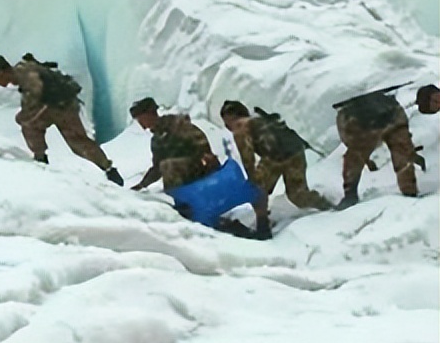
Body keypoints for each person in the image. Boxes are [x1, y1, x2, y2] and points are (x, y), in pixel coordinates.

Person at [0, 53, 123, 184]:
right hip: (57, 105)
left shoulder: (26, 73)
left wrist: (23, 115)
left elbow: (36, 94)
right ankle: (41, 158)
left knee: (76, 141)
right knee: (38, 128)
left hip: (60, 107)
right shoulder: (24, 71)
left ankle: (108, 169)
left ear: (1, 72)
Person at [220, 100, 332, 235]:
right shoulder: (261, 118)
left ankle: (263, 228)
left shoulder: (240, 128)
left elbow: (247, 157)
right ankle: (326, 205)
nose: (227, 126)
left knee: (257, 191)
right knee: (298, 195)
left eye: (226, 122)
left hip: (273, 158)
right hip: (295, 152)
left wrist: (252, 180)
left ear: (231, 118)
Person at [334, 85, 419, 209]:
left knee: (402, 150)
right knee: (355, 155)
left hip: (388, 110)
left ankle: (410, 192)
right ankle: (350, 194)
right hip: (358, 116)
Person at [130, 97, 220, 192]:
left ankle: (178, 195)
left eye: (141, 119)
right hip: (185, 175)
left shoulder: (176, 124)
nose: (140, 123)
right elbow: (157, 168)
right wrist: (142, 185)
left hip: (202, 167)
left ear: (149, 114)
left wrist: (210, 162)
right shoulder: (156, 140)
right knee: (165, 166)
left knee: (167, 166)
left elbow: (200, 141)